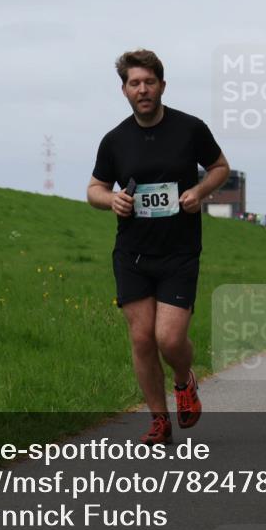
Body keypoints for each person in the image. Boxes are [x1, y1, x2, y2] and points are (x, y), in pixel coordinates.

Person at [88, 49, 230, 445]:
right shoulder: (115, 140)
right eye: (135, 83)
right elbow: (94, 189)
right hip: (132, 253)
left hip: (179, 251)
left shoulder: (189, 129)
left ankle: (184, 380)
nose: (143, 89)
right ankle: (158, 420)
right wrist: (110, 200)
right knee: (141, 338)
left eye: (149, 82)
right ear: (124, 90)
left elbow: (220, 167)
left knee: (168, 338)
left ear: (162, 86)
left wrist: (199, 191)